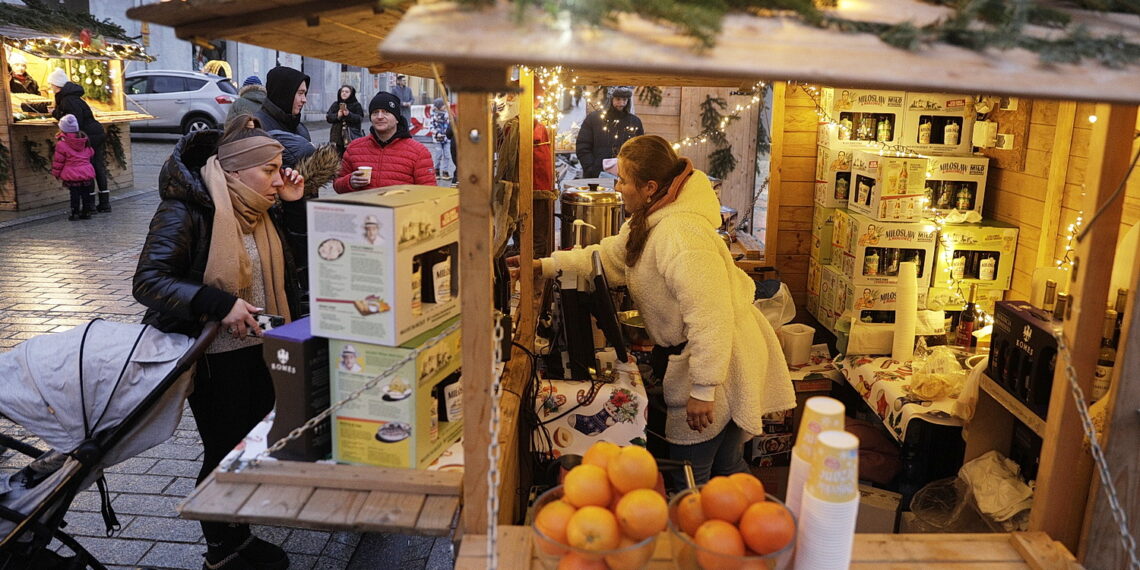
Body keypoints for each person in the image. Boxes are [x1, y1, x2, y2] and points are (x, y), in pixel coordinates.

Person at [531, 135, 795, 488]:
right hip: (717, 359)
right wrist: (543, 266)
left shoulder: (680, 235)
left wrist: (703, 389)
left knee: (694, 476)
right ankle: (755, 533)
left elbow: (710, 316)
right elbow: (608, 258)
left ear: (649, 187)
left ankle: (744, 534)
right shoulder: (651, 220)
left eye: (623, 179)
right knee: (725, 469)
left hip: (722, 366)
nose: (618, 187)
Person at [133, 113, 307, 570]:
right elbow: (149, 281)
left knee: (253, 440)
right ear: (233, 170)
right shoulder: (187, 208)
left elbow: (299, 269)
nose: (276, 178)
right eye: (268, 170)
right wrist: (217, 302)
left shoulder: (263, 209)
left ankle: (240, 530)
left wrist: (295, 205)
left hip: (264, 344)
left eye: (278, 168)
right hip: (213, 354)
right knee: (223, 444)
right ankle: (221, 549)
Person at [333, 91, 436, 193]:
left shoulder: (418, 152)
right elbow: (337, 185)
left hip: (400, 209)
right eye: (375, 112)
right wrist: (349, 182)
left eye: (386, 112)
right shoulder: (354, 148)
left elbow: (429, 192)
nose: (380, 116)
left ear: (397, 119)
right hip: (363, 209)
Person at [47, 68, 110, 213]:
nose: (50, 88)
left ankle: (92, 205)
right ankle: (103, 203)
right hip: (95, 132)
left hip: (90, 135)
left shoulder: (68, 99)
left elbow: (75, 121)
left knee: (89, 168)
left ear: (57, 85)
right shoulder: (72, 97)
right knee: (96, 166)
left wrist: (55, 113)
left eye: (51, 85)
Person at [575, 86, 644, 178]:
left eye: (624, 99)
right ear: (611, 99)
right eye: (618, 99)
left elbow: (640, 149)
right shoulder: (594, 119)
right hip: (596, 176)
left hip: (626, 177)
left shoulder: (634, 121)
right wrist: (591, 168)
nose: (621, 103)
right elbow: (583, 145)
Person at [50, 114, 96, 221]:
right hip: (86, 172)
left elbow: (59, 161)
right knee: (86, 193)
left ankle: (75, 213)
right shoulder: (84, 140)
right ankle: (86, 212)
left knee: (74, 194)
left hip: (71, 174)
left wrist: (56, 173)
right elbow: (91, 153)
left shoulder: (61, 144)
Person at [255, 66, 310, 140]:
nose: (304, 100)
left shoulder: (301, 129)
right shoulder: (256, 127)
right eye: (300, 93)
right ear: (284, 94)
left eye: (304, 93)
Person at [325, 84, 364, 154]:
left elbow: (359, 118)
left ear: (351, 93)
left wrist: (349, 114)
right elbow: (328, 117)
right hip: (336, 138)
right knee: (336, 158)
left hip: (351, 136)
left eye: (347, 92)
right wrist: (338, 115)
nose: (344, 93)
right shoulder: (336, 104)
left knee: (350, 156)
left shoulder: (356, 105)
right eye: (342, 91)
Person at [428, 98, 454, 179]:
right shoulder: (433, 115)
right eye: (443, 105)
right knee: (438, 155)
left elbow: (451, 124)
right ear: (439, 106)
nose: (445, 107)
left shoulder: (447, 114)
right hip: (437, 139)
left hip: (447, 139)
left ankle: (445, 172)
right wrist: (437, 133)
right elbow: (431, 127)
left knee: (447, 155)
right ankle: (436, 171)